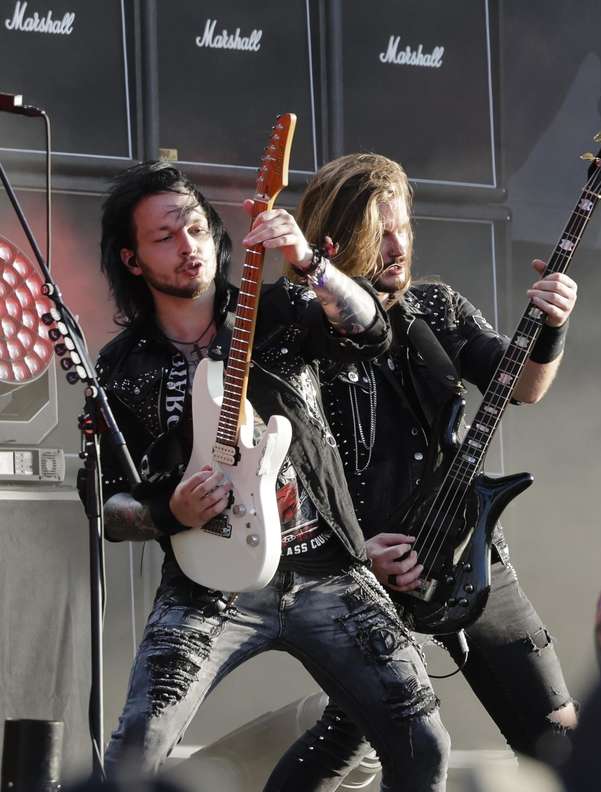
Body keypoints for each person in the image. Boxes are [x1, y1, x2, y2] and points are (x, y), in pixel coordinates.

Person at [94, 162, 449, 789]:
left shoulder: (277, 310)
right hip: (208, 582)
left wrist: (311, 263)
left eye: (198, 229)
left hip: (325, 570)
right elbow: (103, 507)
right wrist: (168, 512)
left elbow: (371, 331)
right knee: (134, 754)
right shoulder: (121, 370)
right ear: (132, 259)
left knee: (423, 740)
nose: (189, 247)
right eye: (165, 237)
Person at [265, 153, 578, 790]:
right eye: (378, 232)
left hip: (467, 553)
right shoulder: (297, 326)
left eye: (402, 227)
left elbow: (520, 385)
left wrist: (552, 325)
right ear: (331, 239)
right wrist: (355, 556)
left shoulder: (434, 307)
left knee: (559, 736)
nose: (396, 245)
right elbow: (277, 466)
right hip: (365, 572)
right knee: (352, 742)